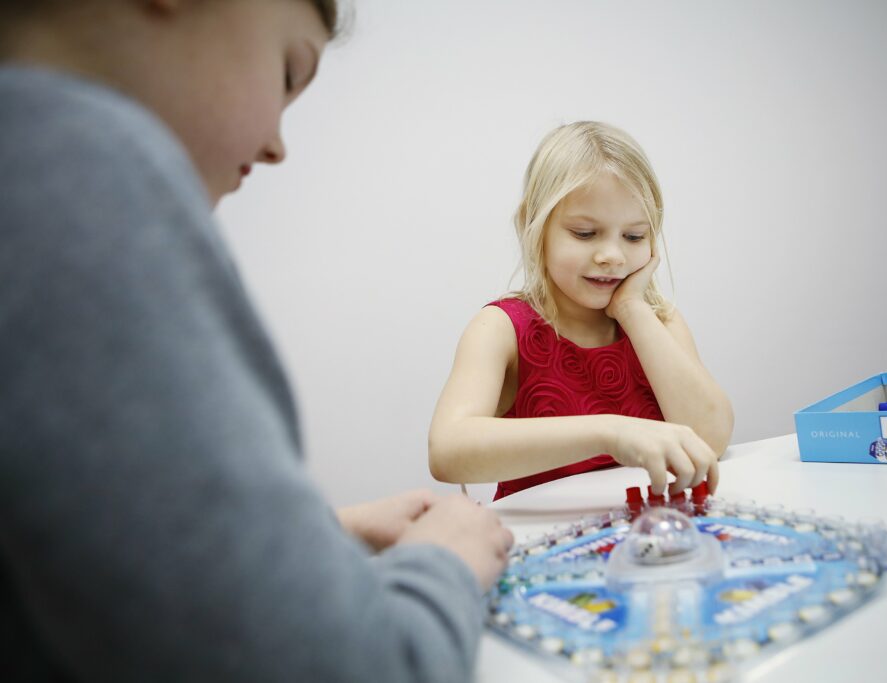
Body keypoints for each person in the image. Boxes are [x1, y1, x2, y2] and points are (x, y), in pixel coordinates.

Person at [0, 1, 512, 681]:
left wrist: (329, 529)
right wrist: (445, 558)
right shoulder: (75, 172)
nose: (277, 143)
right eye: (286, 72)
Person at [429, 121, 734, 500]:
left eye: (634, 236)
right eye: (585, 234)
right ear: (532, 226)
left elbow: (712, 437)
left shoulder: (660, 321)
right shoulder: (501, 328)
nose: (612, 255)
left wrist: (632, 309)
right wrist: (610, 432)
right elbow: (447, 451)